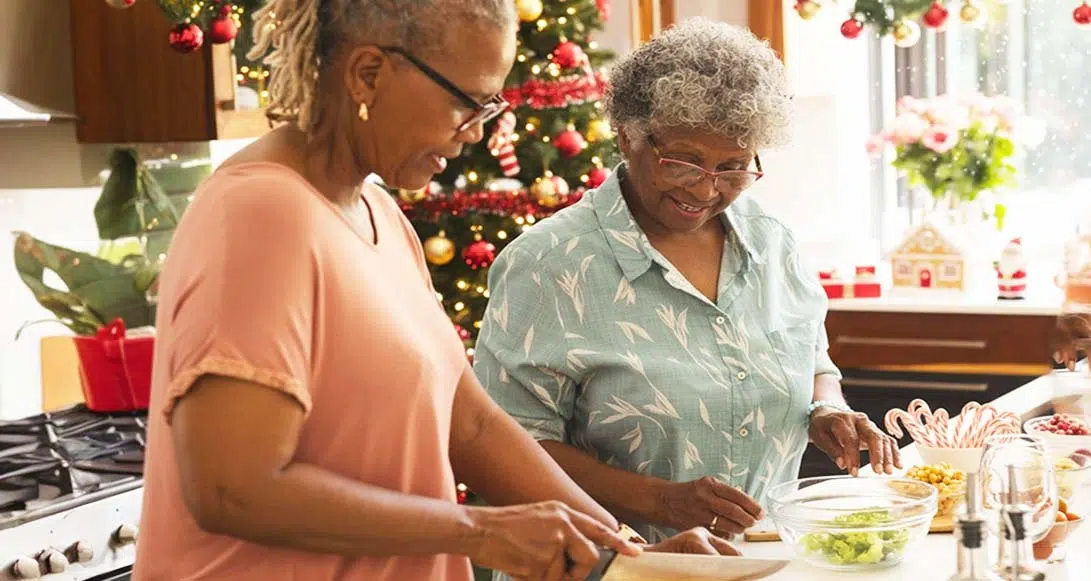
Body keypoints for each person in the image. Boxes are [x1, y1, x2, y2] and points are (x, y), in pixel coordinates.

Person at [131, 2, 735, 581]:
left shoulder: (379, 215)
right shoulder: (260, 214)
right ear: (368, 74)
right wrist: (479, 532)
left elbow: (467, 423)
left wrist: (622, 550)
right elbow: (232, 488)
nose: (477, 133)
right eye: (468, 103)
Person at [474, 18, 901, 544]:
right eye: (685, 161)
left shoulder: (772, 244)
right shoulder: (547, 265)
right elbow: (506, 448)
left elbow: (813, 359)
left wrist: (826, 407)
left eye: (734, 167)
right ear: (628, 135)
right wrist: (660, 499)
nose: (706, 188)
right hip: (614, 569)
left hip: (760, 563)